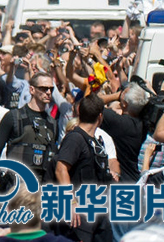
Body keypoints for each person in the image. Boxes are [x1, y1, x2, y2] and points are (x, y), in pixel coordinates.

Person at [54, 93, 113, 242]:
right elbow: (61, 169)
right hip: (80, 217)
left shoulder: (95, 141)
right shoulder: (75, 138)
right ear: (100, 117)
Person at [0, 72, 59, 183]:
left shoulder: (52, 124)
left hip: (41, 187)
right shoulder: (14, 117)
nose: (48, 92)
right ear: (32, 90)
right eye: (44, 88)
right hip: (16, 185)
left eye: (51, 89)